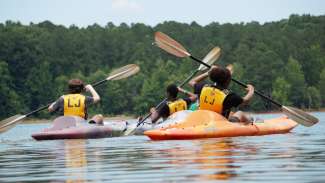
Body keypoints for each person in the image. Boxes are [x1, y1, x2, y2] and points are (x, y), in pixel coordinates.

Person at [189, 65, 255, 123]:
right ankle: (251, 124)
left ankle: (250, 121)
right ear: (228, 81)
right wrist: (251, 91)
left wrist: (208, 73)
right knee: (240, 113)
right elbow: (245, 101)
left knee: (231, 114)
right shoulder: (229, 95)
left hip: (203, 119)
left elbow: (192, 82)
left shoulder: (203, 87)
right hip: (220, 123)